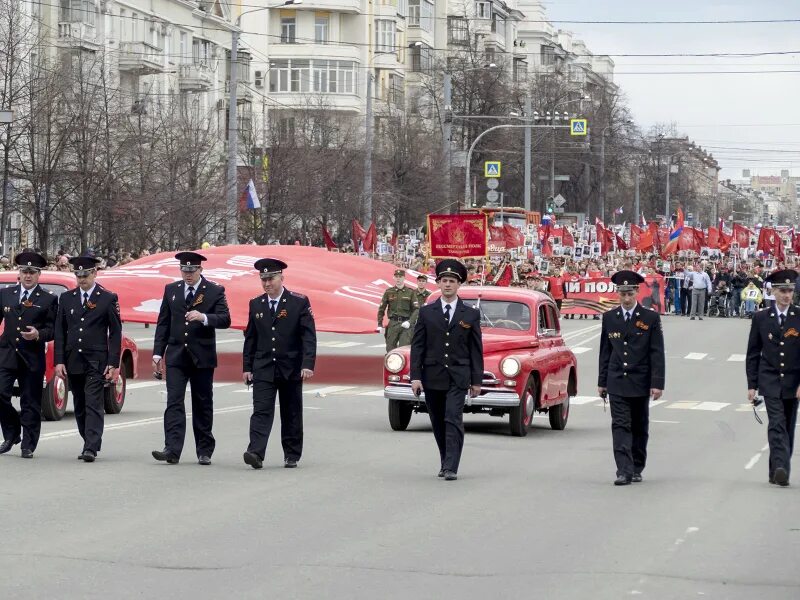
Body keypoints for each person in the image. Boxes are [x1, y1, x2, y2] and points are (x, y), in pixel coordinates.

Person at [152, 251, 231, 465]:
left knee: (202, 403)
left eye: (192, 270)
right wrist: (158, 352)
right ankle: (172, 449)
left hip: (202, 356)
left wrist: (204, 317)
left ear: (200, 270)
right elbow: (164, 323)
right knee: (174, 402)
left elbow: (225, 319)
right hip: (177, 355)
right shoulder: (172, 290)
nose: (188, 274)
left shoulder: (214, 290)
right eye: (184, 270)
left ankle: (204, 449)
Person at [410, 259, 483, 481]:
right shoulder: (426, 312)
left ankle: (452, 466)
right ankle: (444, 460)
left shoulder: (470, 314)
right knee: (438, 422)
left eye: (452, 281)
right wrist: (415, 377)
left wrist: (476, 380)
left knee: (453, 418)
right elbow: (418, 347)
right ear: (438, 283)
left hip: (458, 377)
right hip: (433, 376)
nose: (448, 285)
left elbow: (475, 349)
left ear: (459, 284)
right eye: (444, 281)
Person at [242, 258, 316, 469]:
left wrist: (307, 363)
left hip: (291, 366)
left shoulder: (298, 302)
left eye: (271, 278)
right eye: (263, 279)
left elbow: (308, 336)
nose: (267, 283)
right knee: (261, 410)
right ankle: (255, 452)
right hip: (263, 366)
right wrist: (247, 367)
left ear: (281, 278)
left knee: (291, 411)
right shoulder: (256, 303)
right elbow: (251, 338)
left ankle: (291, 454)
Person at [598, 270, 665, 486]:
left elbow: (657, 352)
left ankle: (637, 465)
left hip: (640, 380)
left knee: (639, 425)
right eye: (622, 294)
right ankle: (623, 470)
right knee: (620, 425)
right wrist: (602, 381)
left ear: (637, 292)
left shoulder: (650, 318)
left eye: (630, 294)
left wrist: (657, 383)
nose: (626, 299)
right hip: (617, 379)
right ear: (618, 293)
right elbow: (605, 351)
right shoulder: (610, 317)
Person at [54, 256, 122, 463]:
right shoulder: (67, 298)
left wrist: (113, 363)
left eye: (85, 275)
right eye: (78, 275)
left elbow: (115, 332)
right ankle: (89, 439)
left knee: (93, 402)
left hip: (96, 359)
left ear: (94, 273)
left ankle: (90, 447)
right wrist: (59, 360)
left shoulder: (107, 298)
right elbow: (60, 331)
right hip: (74, 357)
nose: (81, 279)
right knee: (80, 404)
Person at [0, 252, 58, 458]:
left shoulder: (48, 299)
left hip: (32, 357)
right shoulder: (6, 294)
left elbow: (53, 330)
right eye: (24, 271)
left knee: (30, 402)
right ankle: (11, 433)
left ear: (39, 274)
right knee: (1, 394)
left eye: (32, 272)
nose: (27, 275)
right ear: (18, 272)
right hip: (6, 355)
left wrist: (38, 335)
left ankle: (28, 444)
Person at [745, 269, 800, 487]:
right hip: (769, 379)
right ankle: (781, 469)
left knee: (788, 426)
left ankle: (775, 469)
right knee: (776, 423)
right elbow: (753, 352)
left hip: (793, 381)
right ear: (773, 292)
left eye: (790, 291)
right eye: (783, 291)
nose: (787, 295)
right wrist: (752, 385)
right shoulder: (761, 318)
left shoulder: (798, 316)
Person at [377, 269, 420, 351]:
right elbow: (381, 308)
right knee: (390, 348)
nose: (398, 279)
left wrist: (410, 322)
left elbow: (416, 309)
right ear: (393, 278)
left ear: (404, 278)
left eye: (400, 277)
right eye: (396, 277)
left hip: (406, 324)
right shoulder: (389, 292)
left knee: (403, 349)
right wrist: (379, 324)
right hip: (393, 323)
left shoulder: (410, 292)